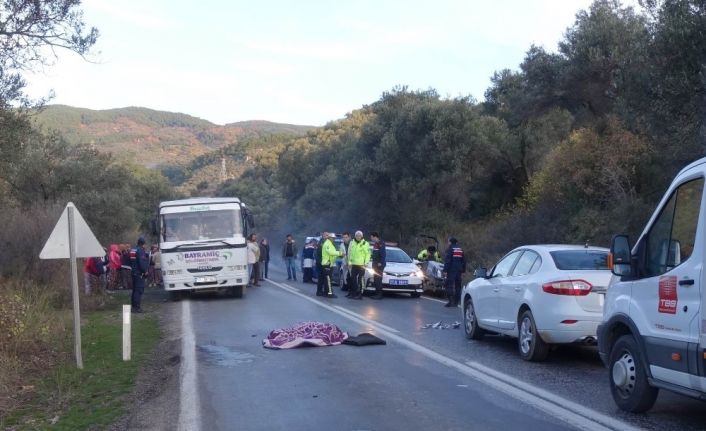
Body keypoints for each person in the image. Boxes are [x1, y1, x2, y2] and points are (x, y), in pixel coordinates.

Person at [443, 237, 467, 307]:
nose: (448, 243)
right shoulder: (460, 249)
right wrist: (463, 270)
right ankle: (456, 302)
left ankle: (450, 301)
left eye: (448, 242)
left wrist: (445, 270)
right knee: (458, 286)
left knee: (449, 285)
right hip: (459, 270)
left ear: (450, 242)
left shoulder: (450, 249)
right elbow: (464, 261)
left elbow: (448, 261)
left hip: (451, 270)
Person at [346, 230, 370, 300]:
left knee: (360, 279)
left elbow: (368, 254)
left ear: (362, 236)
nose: (358, 237)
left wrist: (366, 263)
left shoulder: (365, 243)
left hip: (361, 265)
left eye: (359, 235)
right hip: (353, 264)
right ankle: (353, 293)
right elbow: (350, 253)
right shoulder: (352, 242)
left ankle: (360, 294)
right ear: (355, 236)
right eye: (357, 235)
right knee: (353, 279)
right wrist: (349, 263)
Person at [318, 232, 342, 298]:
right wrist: (340, 253)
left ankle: (326, 292)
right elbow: (331, 252)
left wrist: (338, 255)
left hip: (329, 264)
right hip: (327, 264)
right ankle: (329, 293)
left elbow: (333, 254)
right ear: (329, 238)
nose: (333, 239)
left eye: (334, 238)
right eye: (332, 238)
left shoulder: (330, 243)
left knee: (327, 279)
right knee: (328, 279)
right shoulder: (327, 244)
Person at [130, 237, 150, 313]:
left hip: (133, 272)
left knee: (134, 290)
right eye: (145, 244)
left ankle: (133, 307)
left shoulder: (133, 250)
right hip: (139, 273)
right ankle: (137, 308)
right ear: (143, 244)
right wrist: (145, 271)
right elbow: (141, 262)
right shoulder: (140, 250)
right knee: (139, 291)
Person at [370, 232, 386, 300]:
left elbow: (383, 254)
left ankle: (379, 295)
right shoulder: (375, 244)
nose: (371, 238)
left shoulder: (380, 243)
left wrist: (380, 262)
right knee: (376, 279)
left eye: (371, 237)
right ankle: (376, 294)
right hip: (375, 264)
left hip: (379, 265)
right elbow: (374, 254)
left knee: (378, 280)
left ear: (375, 237)